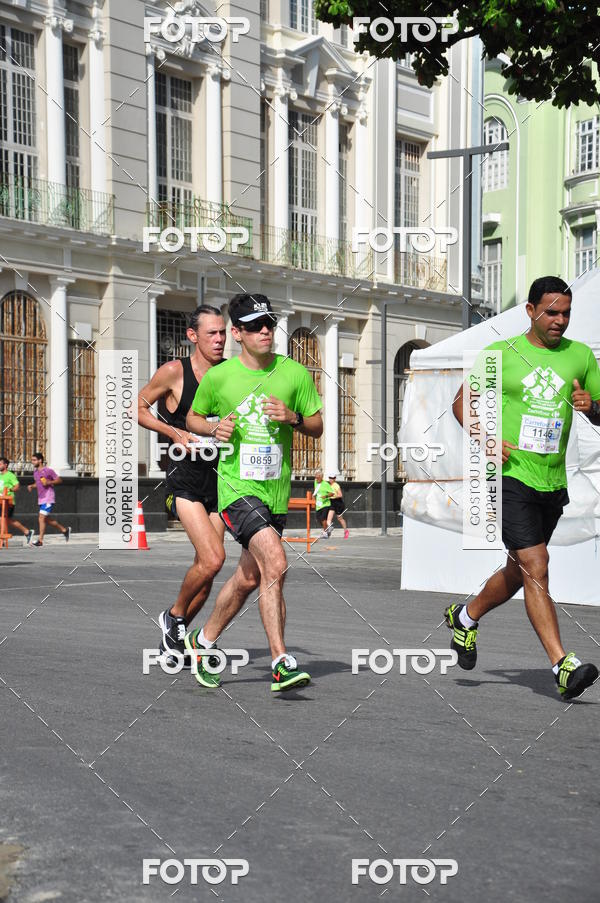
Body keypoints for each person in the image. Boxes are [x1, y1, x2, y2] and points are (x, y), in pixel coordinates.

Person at [447, 276, 600, 700]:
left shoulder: (581, 356)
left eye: (566, 312)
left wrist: (594, 407)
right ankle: (562, 665)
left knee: (521, 569)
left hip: (552, 480)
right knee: (536, 564)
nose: (560, 320)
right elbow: (462, 404)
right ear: (530, 311)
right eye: (551, 311)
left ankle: (466, 616)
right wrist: (486, 437)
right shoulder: (501, 354)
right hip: (512, 477)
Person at [185, 292, 324, 692]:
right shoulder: (220, 377)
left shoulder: (294, 373)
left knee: (250, 577)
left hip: (275, 492)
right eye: (256, 326)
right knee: (276, 563)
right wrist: (212, 427)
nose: (266, 331)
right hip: (236, 489)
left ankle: (203, 640)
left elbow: (316, 425)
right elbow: (193, 416)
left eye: (269, 324)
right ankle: (281, 661)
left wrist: (293, 417)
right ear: (237, 333)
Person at [137, 305, 258, 660]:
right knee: (214, 557)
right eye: (212, 333)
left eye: (223, 333)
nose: (220, 340)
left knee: (206, 573)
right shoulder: (175, 372)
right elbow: (138, 408)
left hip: (220, 482)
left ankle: (172, 638)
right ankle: (172, 616)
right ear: (193, 336)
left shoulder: (229, 374)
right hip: (184, 480)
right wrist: (173, 431)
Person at [27, 453, 70, 545]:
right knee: (45, 519)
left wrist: (49, 482)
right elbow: (38, 484)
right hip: (41, 498)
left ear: (40, 460)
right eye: (32, 460)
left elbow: (59, 480)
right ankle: (64, 530)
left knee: (41, 518)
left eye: (34, 460)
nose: (32, 462)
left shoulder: (48, 470)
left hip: (48, 497)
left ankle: (40, 541)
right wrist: (32, 486)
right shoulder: (35, 472)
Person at [0, 457, 34, 544]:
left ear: (5, 465)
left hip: (8, 502)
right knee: (7, 520)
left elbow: (17, 486)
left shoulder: (10, 475)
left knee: (2, 519)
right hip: (0, 500)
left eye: (0, 464)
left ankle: (2, 539)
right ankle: (27, 532)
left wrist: (10, 490)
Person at [313, 468, 335, 538]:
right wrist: (313, 496)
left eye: (318, 477)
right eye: (316, 477)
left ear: (321, 477)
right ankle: (328, 528)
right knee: (318, 519)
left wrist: (325, 496)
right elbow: (316, 490)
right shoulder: (315, 482)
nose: (317, 479)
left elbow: (332, 493)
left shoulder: (326, 484)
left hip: (325, 504)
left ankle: (325, 533)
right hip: (318, 505)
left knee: (323, 519)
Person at [328, 473, 349, 539]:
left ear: (335, 479)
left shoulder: (336, 485)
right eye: (330, 478)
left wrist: (333, 497)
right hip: (332, 503)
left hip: (338, 503)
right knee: (329, 519)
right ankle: (328, 533)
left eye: (332, 478)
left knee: (339, 518)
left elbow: (340, 495)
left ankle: (346, 531)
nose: (331, 479)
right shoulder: (329, 485)